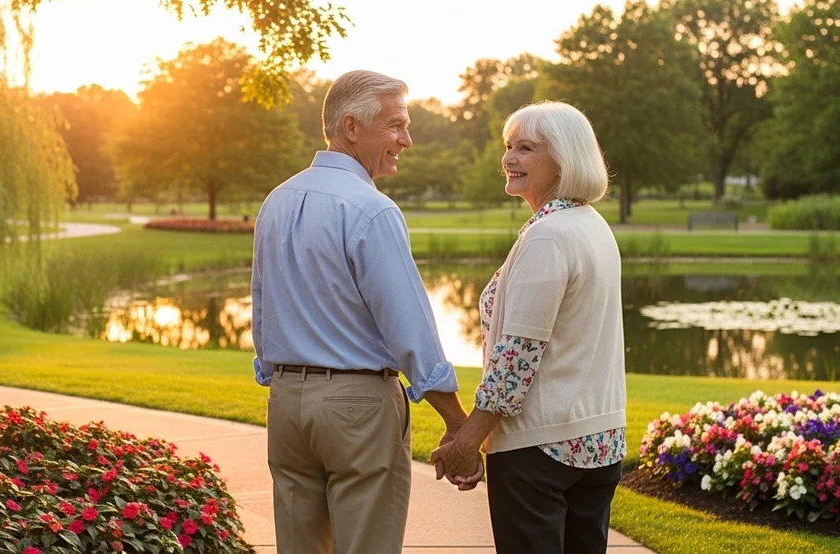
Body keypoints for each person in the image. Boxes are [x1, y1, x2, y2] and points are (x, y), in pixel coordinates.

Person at [251, 69, 470, 554]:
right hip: (358, 408)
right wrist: (457, 423)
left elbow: (261, 312)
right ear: (351, 127)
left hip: (286, 405)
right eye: (395, 125)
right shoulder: (372, 209)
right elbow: (410, 330)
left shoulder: (276, 201)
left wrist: (281, 382)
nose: (406, 139)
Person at [430, 101, 627, 554]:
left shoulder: (548, 236)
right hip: (600, 444)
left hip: (542, 450)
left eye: (526, 148)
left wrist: (467, 440)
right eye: (508, 146)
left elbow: (516, 360)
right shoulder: (592, 226)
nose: (509, 158)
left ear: (563, 158)